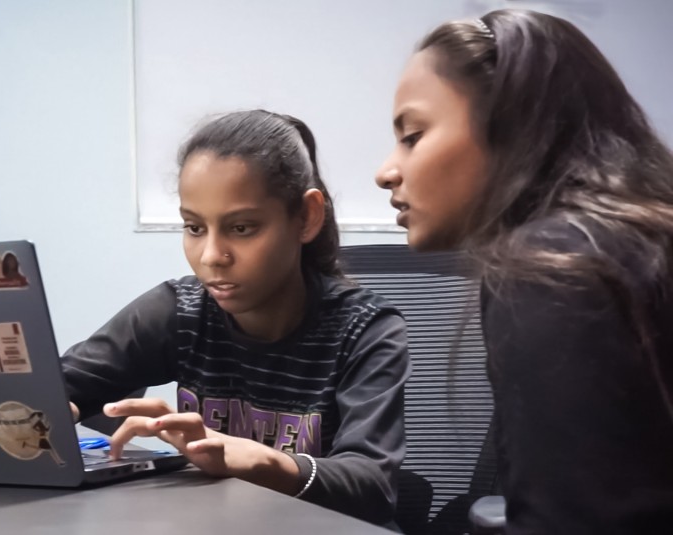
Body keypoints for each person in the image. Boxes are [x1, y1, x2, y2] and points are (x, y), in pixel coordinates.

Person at [375, 9, 673, 533]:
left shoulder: (555, 267)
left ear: (511, 126)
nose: (386, 171)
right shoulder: (632, 239)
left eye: (414, 135)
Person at [63, 110, 410, 524]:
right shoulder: (181, 311)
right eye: (194, 228)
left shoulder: (364, 329)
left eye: (242, 228)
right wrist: (39, 413)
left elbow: (372, 485)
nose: (211, 256)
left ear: (306, 217)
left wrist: (260, 462)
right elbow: (54, 389)